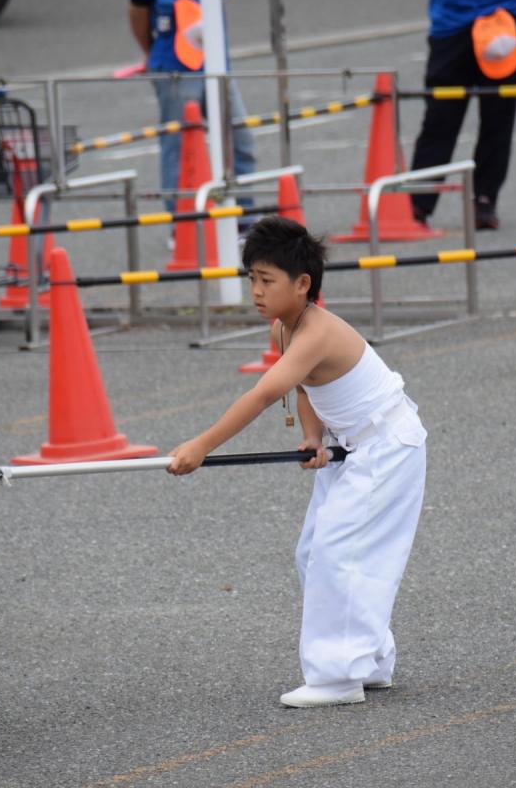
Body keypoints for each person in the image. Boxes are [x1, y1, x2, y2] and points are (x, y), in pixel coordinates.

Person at [167, 217, 428, 708]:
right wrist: (313, 437)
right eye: (252, 280)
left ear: (302, 283)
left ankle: (337, 677)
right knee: (313, 551)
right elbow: (305, 388)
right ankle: (367, 660)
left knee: (337, 552)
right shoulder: (285, 329)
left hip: (388, 446)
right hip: (350, 447)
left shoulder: (317, 331)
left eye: (267, 281)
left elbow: (267, 392)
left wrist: (202, 445)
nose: (256, 291)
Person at [126, 0, 257, 218]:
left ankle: (243, 214)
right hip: (174, 67)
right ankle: (181, 221)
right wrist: (151, 53)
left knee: (239, 139)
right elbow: (138, 8)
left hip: (216, 65)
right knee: (179, 148)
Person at [410, 0, 516, 230]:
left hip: (503, 16)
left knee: (498, 117)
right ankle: (418, 202)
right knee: (439, 119)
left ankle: (485, 199)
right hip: (451, 21)